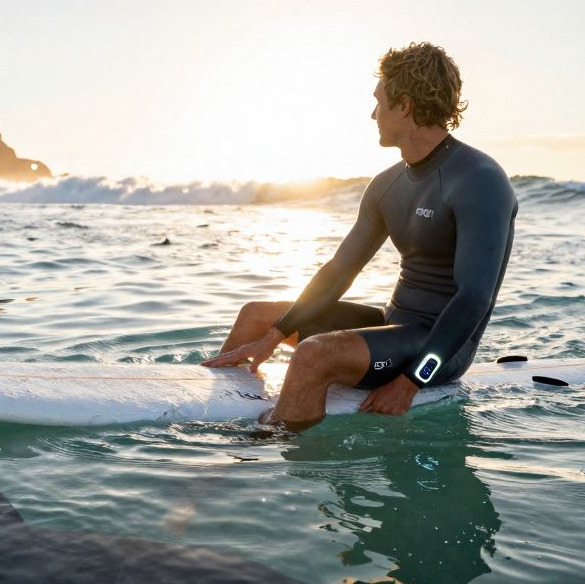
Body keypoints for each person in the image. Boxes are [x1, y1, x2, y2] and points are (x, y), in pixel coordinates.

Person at [202, 42, 518, 430]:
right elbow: (339, 271)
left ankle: (265, 448)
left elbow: (474, 299)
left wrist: (410, 381)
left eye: (379, 102)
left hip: (440, 348)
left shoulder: (479, 180)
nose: (373, 114)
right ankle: (212, 409)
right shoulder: (387, 185)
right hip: (393, 326)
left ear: (404, 105)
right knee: (256, 317)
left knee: (313, 355)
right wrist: (275, 334)